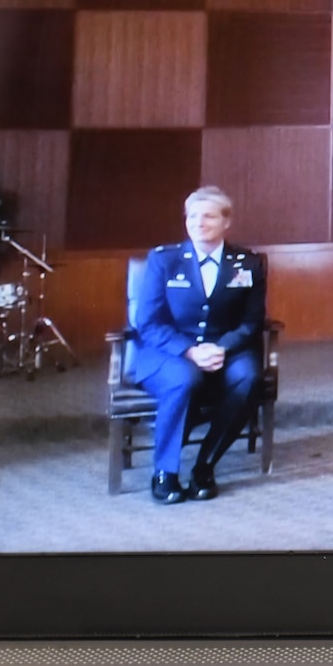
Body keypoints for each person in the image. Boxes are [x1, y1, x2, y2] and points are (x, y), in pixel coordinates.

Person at [126, 187, 268, 503]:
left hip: (225, 350)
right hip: (169, 352)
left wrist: (223, 348)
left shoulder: (248, 263)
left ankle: (205, 465)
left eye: (208, 216)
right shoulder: (164, 260)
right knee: (184, 378)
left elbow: (252, 321)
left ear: (226, 222)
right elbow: (147, 322)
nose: (199, 223)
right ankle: (165, 473)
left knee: (248, 378)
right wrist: (190, 351)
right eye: (192, 216)